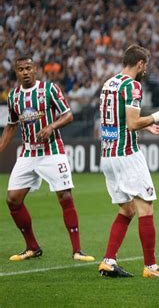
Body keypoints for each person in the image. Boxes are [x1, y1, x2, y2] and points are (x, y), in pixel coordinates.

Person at [97, 44, 159, 278]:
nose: (145, 70)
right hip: (127, 155)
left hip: (108, 155)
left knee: (127, 209)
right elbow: (132, 123)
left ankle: (108, 261)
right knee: (146, 208)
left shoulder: (109, 83)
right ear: (141, 64)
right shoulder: (132, 85)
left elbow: (119, 121)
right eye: (146, 65)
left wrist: (147, 126)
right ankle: (151, 267)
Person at [0, 56, 94, 262]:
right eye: (20, 69)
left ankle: (77, 250)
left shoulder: (49, 90)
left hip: (52, 152)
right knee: (12, 200)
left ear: (35, 69)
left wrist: (52, 126)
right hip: (28, 153)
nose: (25, 72)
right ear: (16, 72)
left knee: (65, 197)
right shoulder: (14, 96)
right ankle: (32, 247)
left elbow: (68, 115)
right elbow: (11, 125)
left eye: (28, 68)